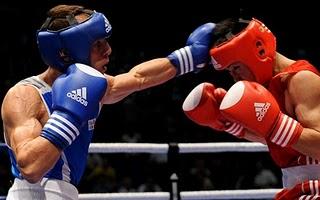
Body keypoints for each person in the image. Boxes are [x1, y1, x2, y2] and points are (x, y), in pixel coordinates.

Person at [1, 4, 216, 199]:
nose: (108, 50)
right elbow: (30, 167)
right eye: (97, 44)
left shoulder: (97, 87)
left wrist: (191, 56)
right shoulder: (25, 95)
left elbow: (139, 77)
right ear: (66, 53)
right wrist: (69, 116)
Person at [182, 18, 320, 199]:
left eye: (236, 67)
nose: (235, 78)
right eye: (229, 72)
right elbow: (281, 140)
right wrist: (229, 125)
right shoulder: (270, 85)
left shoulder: (301, 79)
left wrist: (276, 125)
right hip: (298, 187)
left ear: (257, 51)